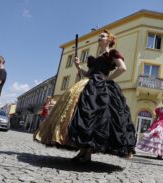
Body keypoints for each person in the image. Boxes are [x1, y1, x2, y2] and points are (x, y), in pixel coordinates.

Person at [34, 30, 136, 163]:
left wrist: (108, 78)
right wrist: (77, 66)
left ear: (109, 39)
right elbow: (87, 74)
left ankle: (87, 153)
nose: (100, 37)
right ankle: (83, 151)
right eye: (99, 36)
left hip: (102, 89)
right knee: (85, 117)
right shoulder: (93, 58)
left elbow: (122, 68)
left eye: (103, 36)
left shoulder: (112, 53)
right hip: (88, 85)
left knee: (96, 118)